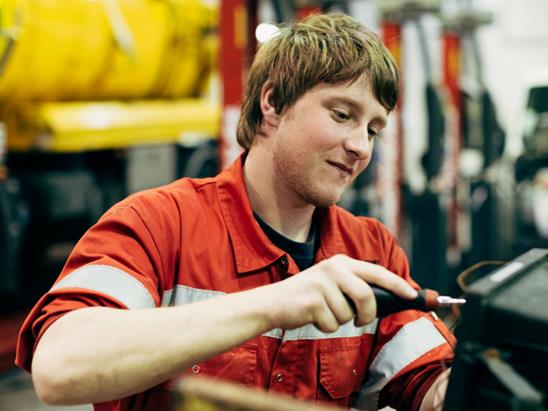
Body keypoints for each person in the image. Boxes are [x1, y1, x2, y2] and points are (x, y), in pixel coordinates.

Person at [15, 13, 454, 411]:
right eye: (342, 115)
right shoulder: (158, 223)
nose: (361, 146)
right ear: (273, 104)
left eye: (373, 129)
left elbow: (433, 387)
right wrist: (273, 303)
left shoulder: (371, 251)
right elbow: (59, 368)